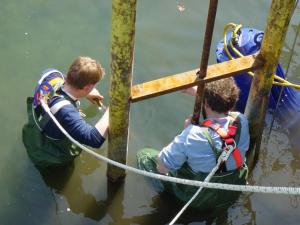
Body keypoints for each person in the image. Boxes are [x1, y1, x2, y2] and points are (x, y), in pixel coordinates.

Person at [137, 77, 250, 210]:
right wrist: (200, 94)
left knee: (144, 155)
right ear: (232, 103)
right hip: (231, 191)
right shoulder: (242, 121)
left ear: (206, 103)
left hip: (200, 201)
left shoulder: (192, 135)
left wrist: (184, 133)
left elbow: (163, 167)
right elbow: (224, 116)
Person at [22, 56, 109, 168]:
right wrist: (111, 111)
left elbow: (69, 80)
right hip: (47, 153)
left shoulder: (52, 74)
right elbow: (94, 139)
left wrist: (87, 93)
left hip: (32, 132)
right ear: (87, 87)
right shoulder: (66, 112)